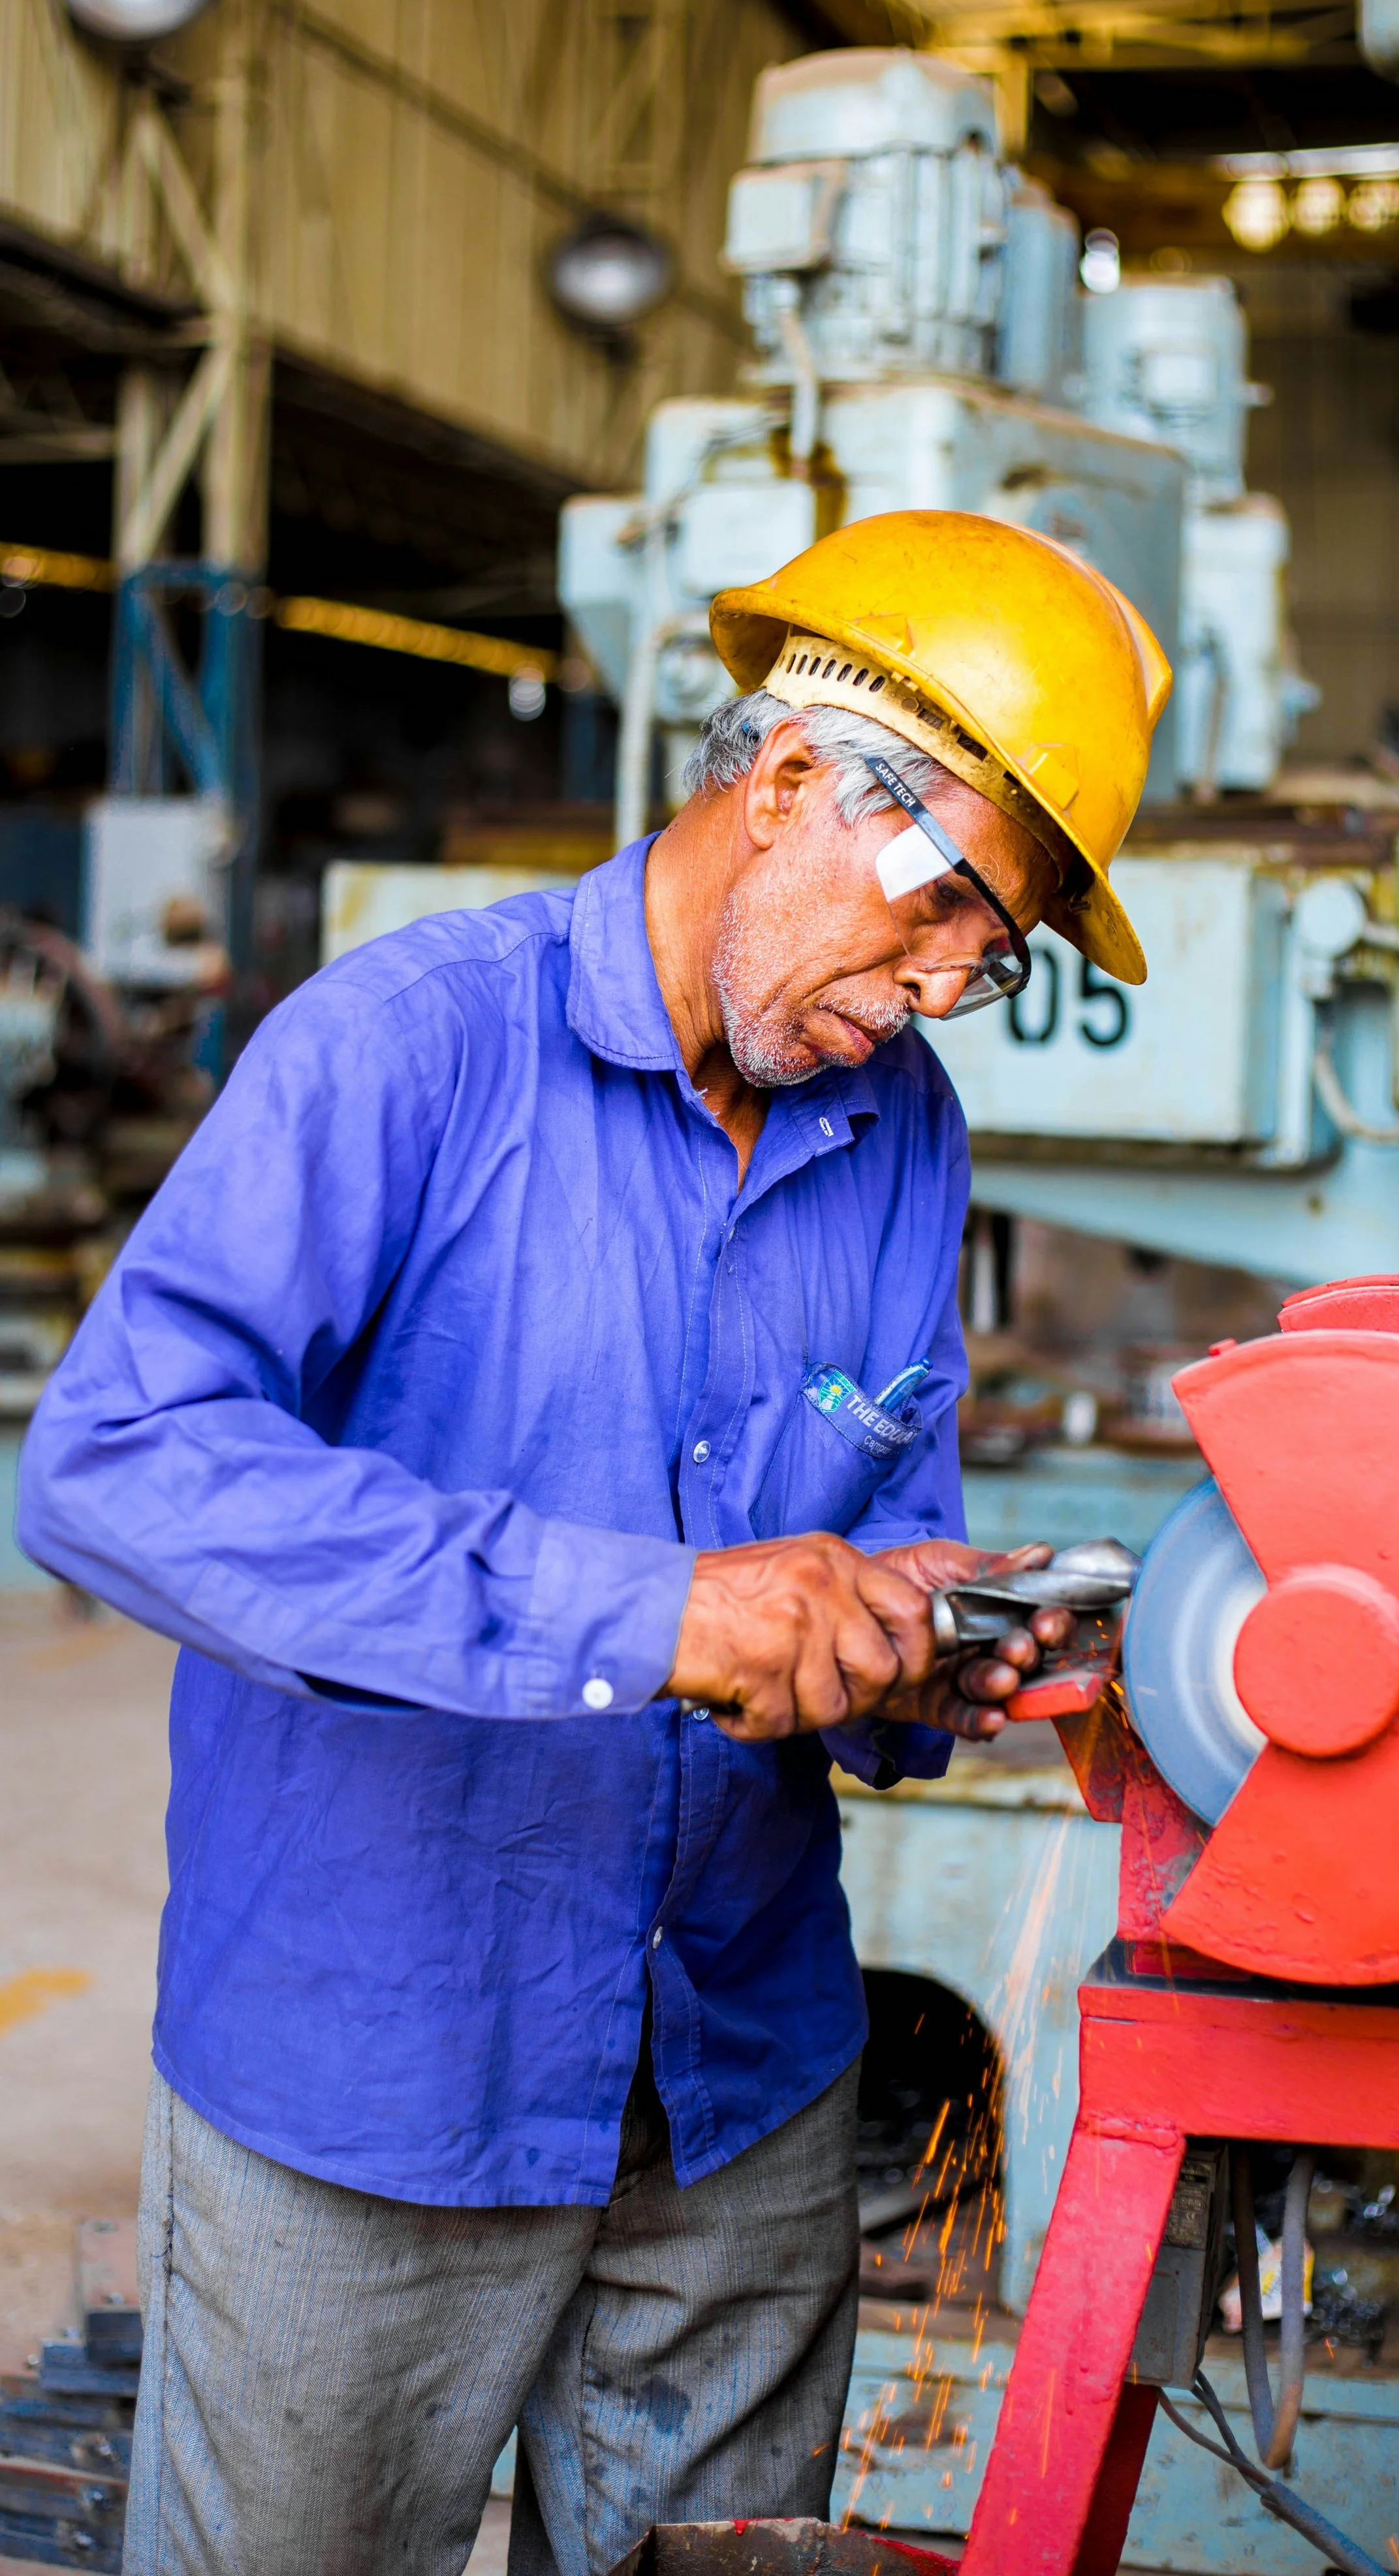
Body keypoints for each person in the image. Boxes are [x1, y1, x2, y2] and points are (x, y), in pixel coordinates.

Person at [18, 508, 1169, 2576]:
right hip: (380, 2081)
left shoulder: (899, 1130)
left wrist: (929, 1650)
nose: (937, 984)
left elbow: (885, 1519)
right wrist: (647, 1609)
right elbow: (118, 1461)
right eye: (944, 909)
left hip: (739, 2080)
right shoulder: (408, 1048)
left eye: (989, 960)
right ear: (798, 776)